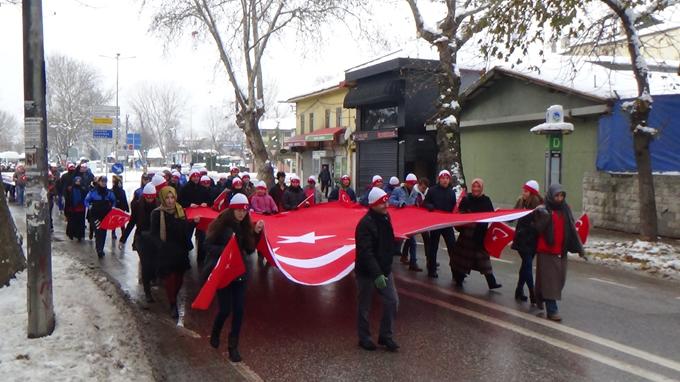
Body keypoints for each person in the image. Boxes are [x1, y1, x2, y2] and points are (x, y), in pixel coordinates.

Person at [204, 193, 264, 362]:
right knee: (225, 309)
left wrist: (257, 233)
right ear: (232, 209)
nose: (241, 214)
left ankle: (233, 347)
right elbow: (207, 245)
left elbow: (250, 249)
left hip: (240, 274)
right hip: (224, 273)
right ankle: (215, 332)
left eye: (244, 210)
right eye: (238, 210)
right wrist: (225, 251)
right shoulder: (221, 224)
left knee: (239, 311)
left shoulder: (245, 226)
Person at [355, 187, 400, 352]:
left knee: (392, 301)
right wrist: (377, 274)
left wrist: (387, 266)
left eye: (386, 201)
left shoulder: (386, 217)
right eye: (382, 202)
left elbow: (387, 243)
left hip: (384, 270)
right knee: (364, 306)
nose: (386, 204)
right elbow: (366, 253)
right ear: (373, 204)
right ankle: (364, 337)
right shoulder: (365, 225)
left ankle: (386, 335)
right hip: (367, 273)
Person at [534, 183, 586, 321]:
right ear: (551, 195)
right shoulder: (542, 209)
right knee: (551, 282)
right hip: (546, 250)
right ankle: (552, 310)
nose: (559, 198)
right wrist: (544, 217)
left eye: (561, 195)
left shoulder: (565, 209)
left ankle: (539, 295)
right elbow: (536, 229)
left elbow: (572, 229)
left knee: (560, 280)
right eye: (556, 195)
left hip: (561, 250)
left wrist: (580, 249)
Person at [150, 186, 198, 318]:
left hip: (180, 249)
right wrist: (161, 246)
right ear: (163, 198)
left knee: (179, 278)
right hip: (166, 250)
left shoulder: (180, 210)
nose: (170, 201)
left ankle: (173, 296)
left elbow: (185, 230)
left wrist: (193, 223)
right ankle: (172, 304)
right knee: (170, 278)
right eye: (167, 198)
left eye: (172, 197)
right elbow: (153, 233)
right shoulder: (157, 213)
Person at [451, 178, 502, 289]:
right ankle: (459, 279)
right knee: (462, 259)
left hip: (480, 234)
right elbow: (460, 213)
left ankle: (491, 282)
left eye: (478, 187)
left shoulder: (486, 200)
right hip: (466, 235)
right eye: (474, 186)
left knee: (483, 259)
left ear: (482, 188)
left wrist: (497, 214)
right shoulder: (466, 199)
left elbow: (490, 215)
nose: (475, 189)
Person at [120, 183, 159, 303]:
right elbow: (132, 222)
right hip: (141, 238)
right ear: (144, 196)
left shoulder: (159, 206)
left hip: (154, 239)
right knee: (145, 264)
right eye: (147, 197)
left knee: (154, 264)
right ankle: (147, 292)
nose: (150, 200)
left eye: (152, 197)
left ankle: (153, 278)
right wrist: (123, 238)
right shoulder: (137, 206)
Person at [511, 180, 543, 304]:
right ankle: (532, 293)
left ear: (532, 193)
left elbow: (542, 222)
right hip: (522, 239)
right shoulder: (521, 201)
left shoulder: (539, 205)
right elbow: (512, 216)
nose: (523, 193)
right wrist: (500, 213)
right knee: (528, 266)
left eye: (526, 191)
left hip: (533, 239)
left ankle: (519, 290)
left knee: (525, 266)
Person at [423, 170, 457, 278]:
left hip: (447, 225)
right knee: (433, 248)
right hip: (436, 224)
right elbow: (425, 203)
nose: (445, 180)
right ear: (439, 179)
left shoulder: (452, 192)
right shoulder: (432, 190)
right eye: (443, 178)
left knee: (452, 248)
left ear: (449, 180)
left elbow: (454, 208)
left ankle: (456, 273)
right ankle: (431, 270)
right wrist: (429, 206)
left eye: (447, 178)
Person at [389, 173, 422, 271]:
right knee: (393, 241)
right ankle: (387, 261)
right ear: (406, 183)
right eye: (410, 183)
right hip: (398, 221)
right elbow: (390, 200)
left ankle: (413, 262)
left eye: (413, 183)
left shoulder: (415, 192)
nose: (412, 185)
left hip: (409, 221)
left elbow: (416, 204)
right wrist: (399, 203)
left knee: (412, 242)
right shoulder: (397, 190)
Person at [179, 169, 212, 264]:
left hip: (201, 216)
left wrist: (206, 203)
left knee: (202, 236)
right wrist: (189, 204)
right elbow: (180, 201)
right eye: (194, 176)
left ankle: (201, 258)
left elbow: (209, 200)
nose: (196, 178)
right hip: (189, 216)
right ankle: (184, 255)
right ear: (190, 177)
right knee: (187, 235)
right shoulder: (185, 188)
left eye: (197, 176)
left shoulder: (203, 188)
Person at [85, 176, 116, 258]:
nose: (104, 183)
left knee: (103, 233)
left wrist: (113, 207)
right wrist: (90, 206)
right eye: (102, 181)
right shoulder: (93, 192)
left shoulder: (109, 192)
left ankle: (101, 249)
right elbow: (86, 201)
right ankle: (99, 249)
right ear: (98, 182)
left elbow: (114, 200)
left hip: (105, 216)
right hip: (95, 216)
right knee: (98, 232)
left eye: (105, 181)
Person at [64, 176, 87, 242]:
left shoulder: (83, 189)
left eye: (79, 181)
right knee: (72, 223)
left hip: (81, 209)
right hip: (72, 209)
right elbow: (68, 200)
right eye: (77, 181)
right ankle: (72, 234)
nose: (78, 182)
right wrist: (66, 211)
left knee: (80, 223)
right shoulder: (70, 189)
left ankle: (79, 236)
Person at [111, 175, 130, 240]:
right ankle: (122, 234)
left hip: (117, 208)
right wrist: (126, 208)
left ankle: (116, 233)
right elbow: (124, 200)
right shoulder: (119, 190)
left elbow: (124, 199)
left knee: (117, 221)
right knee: (120, 222)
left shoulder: (114, 190)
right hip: (118, 208)